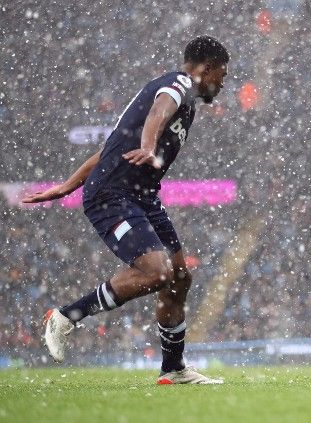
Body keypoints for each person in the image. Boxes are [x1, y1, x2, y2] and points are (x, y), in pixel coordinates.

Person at [22, 36, 229, 385]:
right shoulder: (176, 85)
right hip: (111, 194)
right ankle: (66, 316)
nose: (223, 83)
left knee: (179, 277)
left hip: (142, 195)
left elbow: (111, 150)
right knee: (157, 272)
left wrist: (67, 184)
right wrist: (149, 146)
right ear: (205, 68)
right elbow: (159, 111)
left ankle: (174, 369)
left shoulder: (189, 103)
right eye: (222, 74)